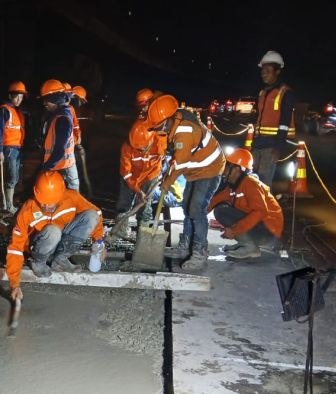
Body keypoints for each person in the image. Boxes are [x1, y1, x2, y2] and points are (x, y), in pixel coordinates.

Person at [147, 94, 225, 271]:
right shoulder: (176, 122)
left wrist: (168, 182)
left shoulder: (184, 131)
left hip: (209, 169)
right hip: (195, 170)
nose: (158, 130)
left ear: (166, 119)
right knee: (187, 207)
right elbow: (180, 158)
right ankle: (185, 246)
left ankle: (199, 252)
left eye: (158, 126)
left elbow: (181, 163)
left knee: (196, 209)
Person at [6, 171, 103, 300]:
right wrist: (14, 284)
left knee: (91, 216)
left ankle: (60, 259)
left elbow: (97, 212)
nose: (45, 206)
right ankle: (39, 263)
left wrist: (99, 241)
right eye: (43, 202)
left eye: (50, 202)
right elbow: (15, 248)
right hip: (40, 246)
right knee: (53, 230)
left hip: (61, 239)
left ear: (61, 194)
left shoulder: (71, 197)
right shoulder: (28, 210)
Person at [208, 148, 283, 259]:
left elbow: (259, 212)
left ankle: (250, 247)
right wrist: (196, 213)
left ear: (237, 169)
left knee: (222, 211)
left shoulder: (250, 184)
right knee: (221, 208)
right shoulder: (234, 186)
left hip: (268, 232)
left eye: (228, 166)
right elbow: (214, 201)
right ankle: (246, 243)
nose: (224, 170)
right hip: (261, 227)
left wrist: (234, 231)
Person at [253, 51, 296, 189]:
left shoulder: (285, 92)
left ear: (277, 71)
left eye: (268, 70)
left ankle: (265, 209)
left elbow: (284, 122)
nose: (263, 73)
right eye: (262, 70)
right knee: (252, 179)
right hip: (258, 142)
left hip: (271, 145)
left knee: (263, 183)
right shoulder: (263, 92)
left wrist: (279, 147)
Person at [116, 119, 166, 225]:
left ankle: (143, 229)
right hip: (131, 177)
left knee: (144, 206)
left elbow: (175, 153)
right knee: (124, 204)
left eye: (143, 149)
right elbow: (126, 172)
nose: (140, 152)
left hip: (150, 176)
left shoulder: (160, 141)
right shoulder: (127, 147)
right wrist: (138, 190)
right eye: (138, 149)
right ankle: (121, 226)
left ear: (151, 140)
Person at [0, 81, 28, 212]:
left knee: (16, 177)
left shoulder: (17, 111)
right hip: (9, 148)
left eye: (21, 97)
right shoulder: (4, 110)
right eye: (17, 96)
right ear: (10, 96)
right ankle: (9, 206)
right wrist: (0, 150)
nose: (19, 99)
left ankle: (10, 203)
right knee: (12, 177)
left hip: (18, 148)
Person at [39, 79, 77, 190]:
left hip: (61, 167)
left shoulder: (62, 119)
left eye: (47, 100)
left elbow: (60, 150)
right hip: (60, 166)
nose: (44, 103)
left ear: (55, 99)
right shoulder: (56, 115)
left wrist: (47, 167)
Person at [70, 85, 91, 195]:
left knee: (80, 174)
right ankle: (86, 196)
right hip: (73, 147)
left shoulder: (71, 110)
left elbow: (75, 128)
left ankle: (86, 196)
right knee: (79, 175)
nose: (81, 105)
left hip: (75, 146)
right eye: (81, 102)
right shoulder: (70, 109)